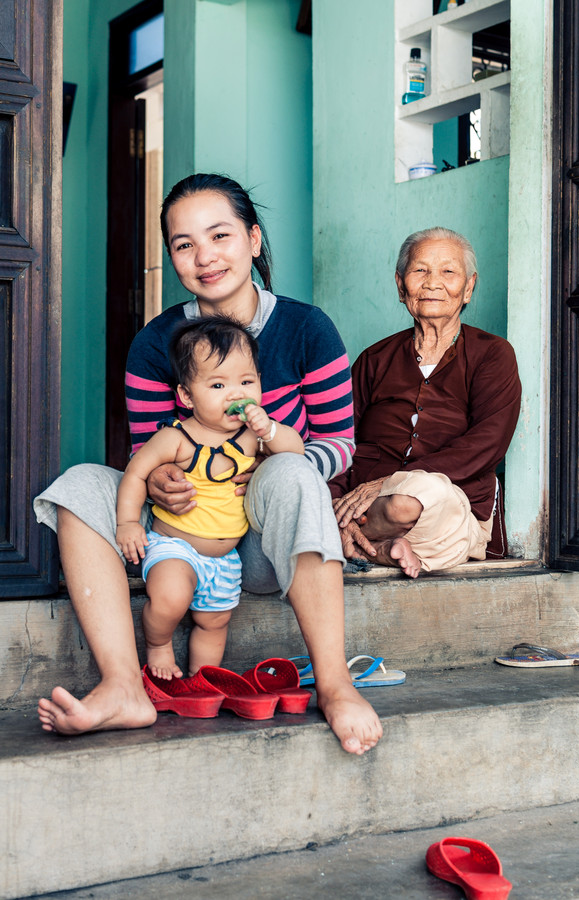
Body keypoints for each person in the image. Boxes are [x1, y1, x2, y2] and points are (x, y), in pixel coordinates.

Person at [34, 173, 382, 754]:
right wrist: (163, 483)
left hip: (260, 546)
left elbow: (339, 445)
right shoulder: (156, 344)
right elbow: (150, 448)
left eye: (219, 235)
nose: (204, 257)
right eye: (184, 244)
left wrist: (269, 461)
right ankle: (123, 687)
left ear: (253, 239)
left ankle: (336, 683)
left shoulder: (306, 329)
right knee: (79, 484)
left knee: (293, 470)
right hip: (177, 540)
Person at [116, 316, 304, 680]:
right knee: (170, 598)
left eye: (247, 382)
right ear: (186, 396)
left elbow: (295, 452)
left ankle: (203, 677)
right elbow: (137, 472)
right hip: (175, 546)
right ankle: (158, 646)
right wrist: (127, 522)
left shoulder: (251, 436)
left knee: (214, 622)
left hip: (225, 560)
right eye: (218, 384)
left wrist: (272, 430)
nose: (236, 394)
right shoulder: (177, 438)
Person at [330, 227, 521, 578]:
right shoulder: (374, 358)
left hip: (445, 505)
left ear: (469, 287)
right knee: (319, 500)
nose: (433, 282)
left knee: (413, 499)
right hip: (366, 508)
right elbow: (340, 439)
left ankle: (345, 540)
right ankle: (376, 545)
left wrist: (389, 482)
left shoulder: (492, 354)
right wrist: (332, 502)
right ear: (401, 286)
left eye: (448, 272)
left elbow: (489, 442)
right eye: (420, 271)